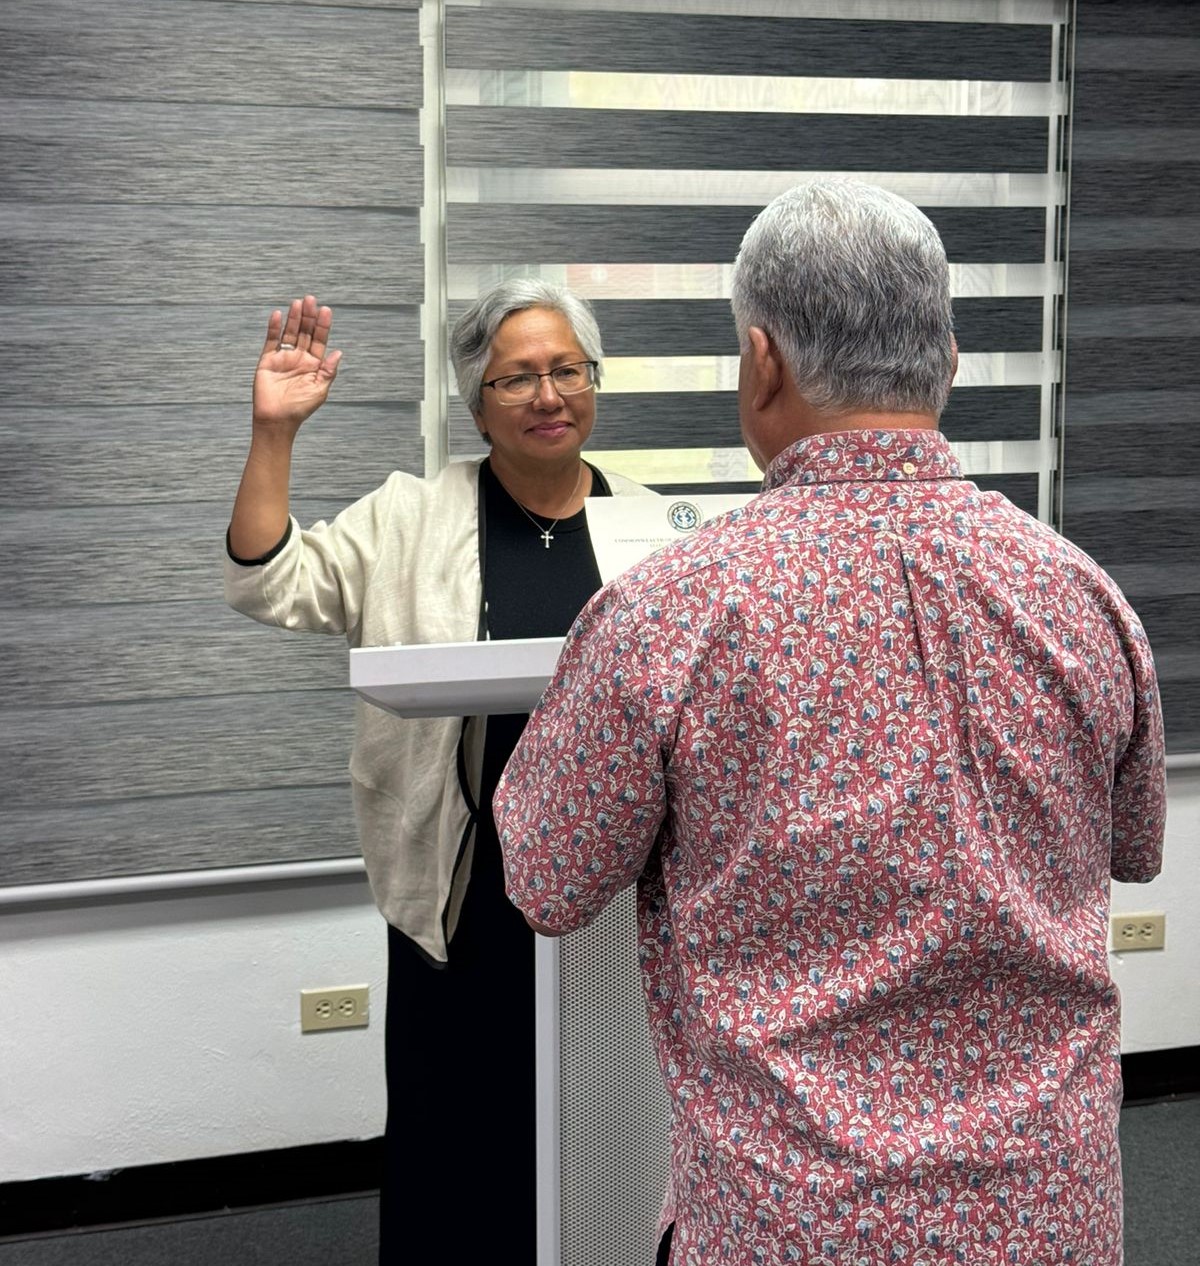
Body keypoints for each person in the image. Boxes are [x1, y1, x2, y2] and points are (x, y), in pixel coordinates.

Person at [494, 181, 1167, 1265]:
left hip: (790, 1223)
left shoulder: (667, 613)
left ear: (761, 363)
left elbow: (547, 876)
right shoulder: (1083, 596)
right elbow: (1132, 849)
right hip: (1052, 1217)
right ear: (947, 359)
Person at [223, 280, 647, 1261]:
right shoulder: (409, 518)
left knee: (610, 1140)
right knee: (456, 1141)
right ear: (475, 396)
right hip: (459, 890)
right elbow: (268, 581)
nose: (548, 395)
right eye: (516, 377)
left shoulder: (660, 533)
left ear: (594, 382)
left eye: (566, 370)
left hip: (610, 898)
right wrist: (274, 433)